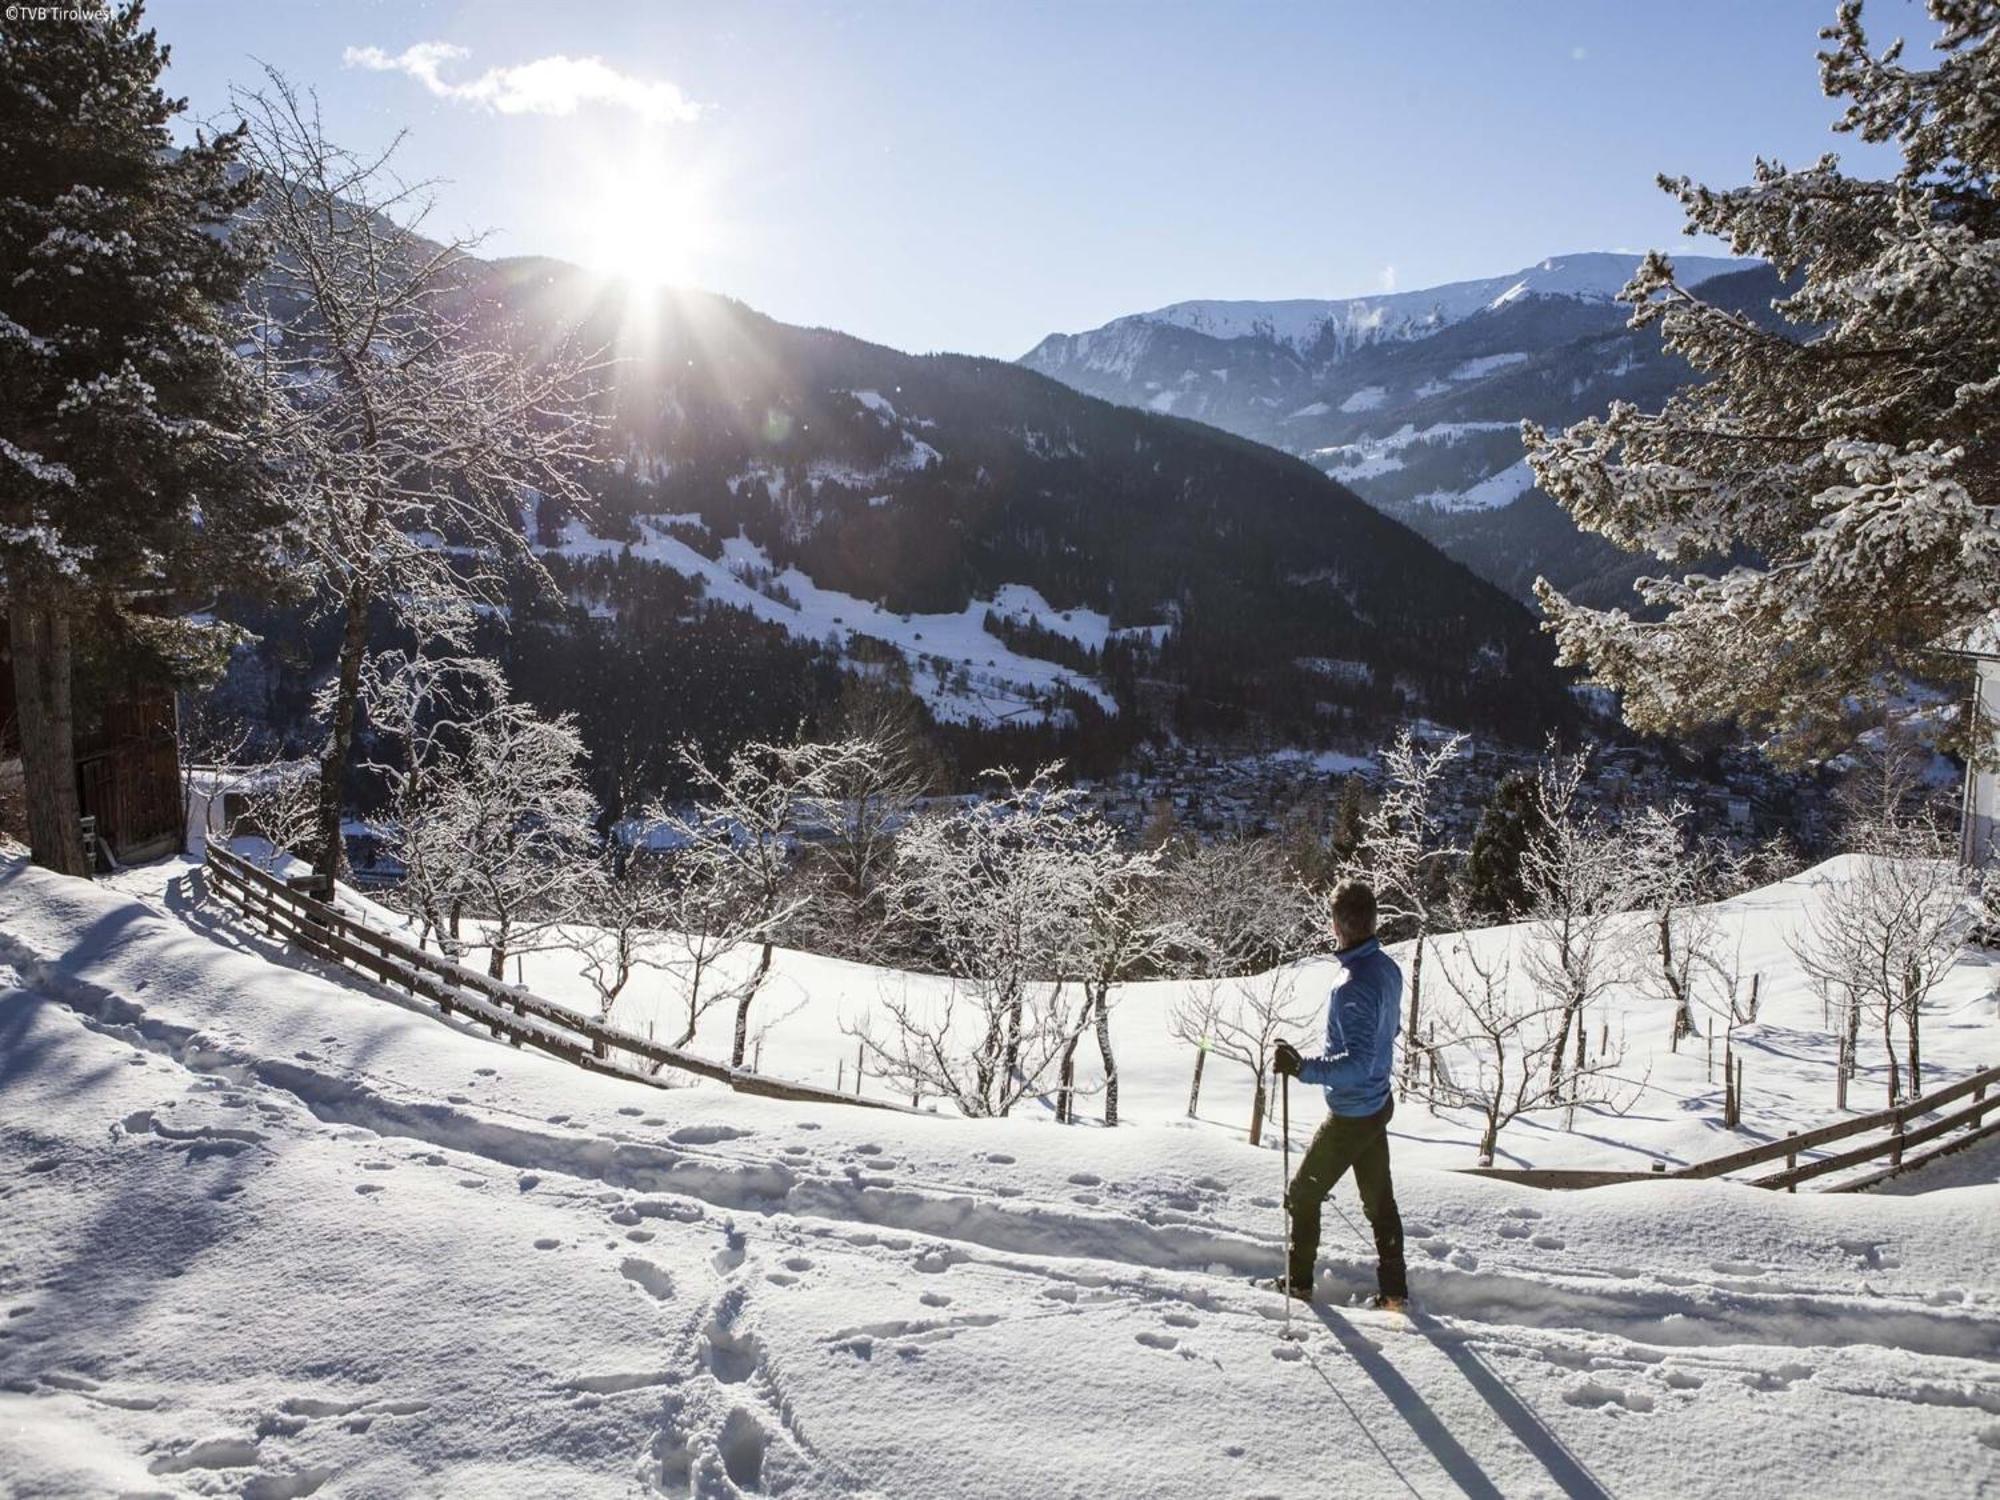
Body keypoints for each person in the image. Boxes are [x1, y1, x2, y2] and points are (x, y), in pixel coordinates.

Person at [1271, 877, 1409, 1310]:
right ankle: (1394, 1291)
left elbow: (1357, 1062)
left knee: (1302, 1194)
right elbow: (1390, 1034)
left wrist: (1302, 1068)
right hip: (1376, 1104)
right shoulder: (1387, 969)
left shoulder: (1352, 984)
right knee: (1379, 1202)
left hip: (1351, 1113)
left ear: (1337, 925)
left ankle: (1298, 1282)